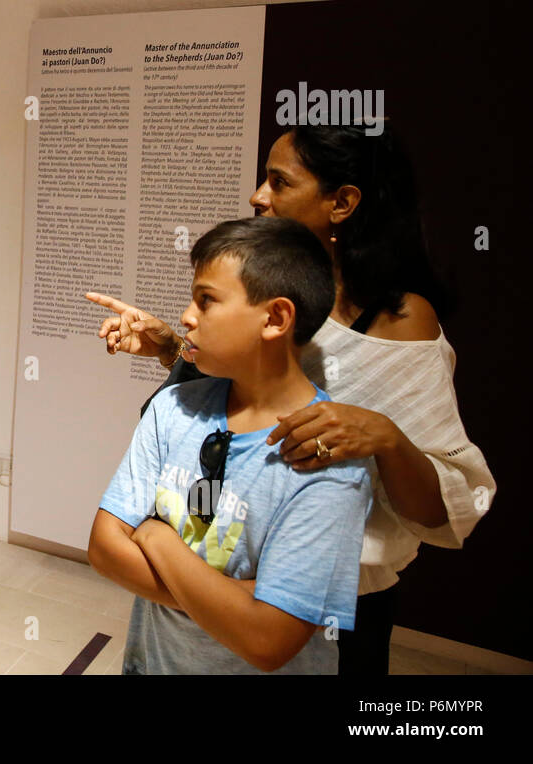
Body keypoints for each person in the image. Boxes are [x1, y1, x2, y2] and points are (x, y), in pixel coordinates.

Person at [87, 123, 495, 674]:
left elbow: (448, 502)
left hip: (327, 603)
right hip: (202, 581)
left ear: (342, 202)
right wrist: (173, 351)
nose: (259, 196)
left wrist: (387, 439)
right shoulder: (259, 304)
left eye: (279, 181)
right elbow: (246, 392)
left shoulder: (399, 322)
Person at [89, 216, 373, 673]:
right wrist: (240, 603)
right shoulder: (173, 409)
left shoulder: (327, 462)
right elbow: (104, 548)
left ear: (276, 318)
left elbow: (268, 642)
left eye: (207, 300)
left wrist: (154, 536)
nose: (186, 316)